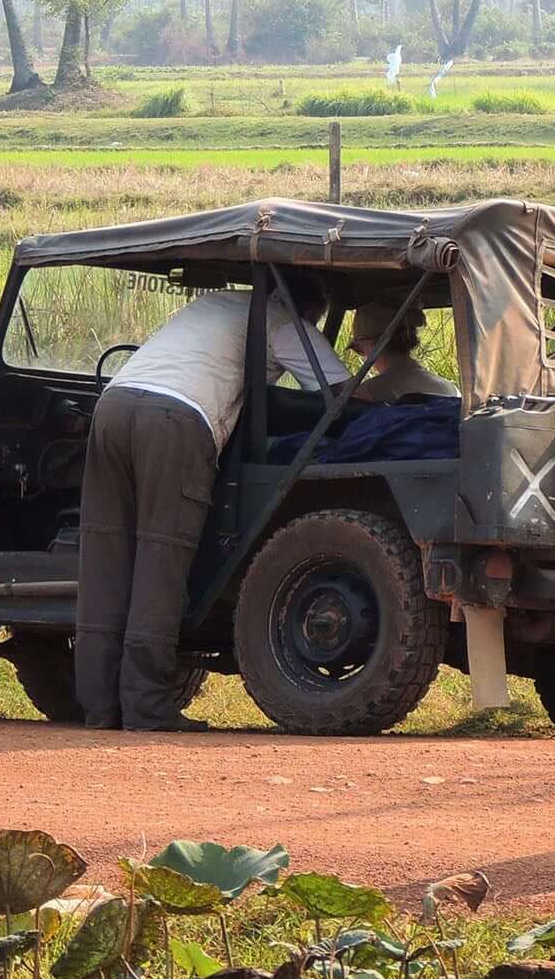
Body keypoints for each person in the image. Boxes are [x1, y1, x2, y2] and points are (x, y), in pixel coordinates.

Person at [74, 273, 351, 731]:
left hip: (114, 406)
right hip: (175, 419)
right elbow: (340, 394)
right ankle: (146, 708)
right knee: (159, 561)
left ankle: (100, 706)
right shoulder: (287, 323)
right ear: (310, 310)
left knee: (106, 560)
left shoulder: (219, 301)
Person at [349, 300, 460, 403]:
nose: (364, 356)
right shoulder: (451, 389)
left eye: (360, 350)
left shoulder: (369, 392)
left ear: (373, 345)